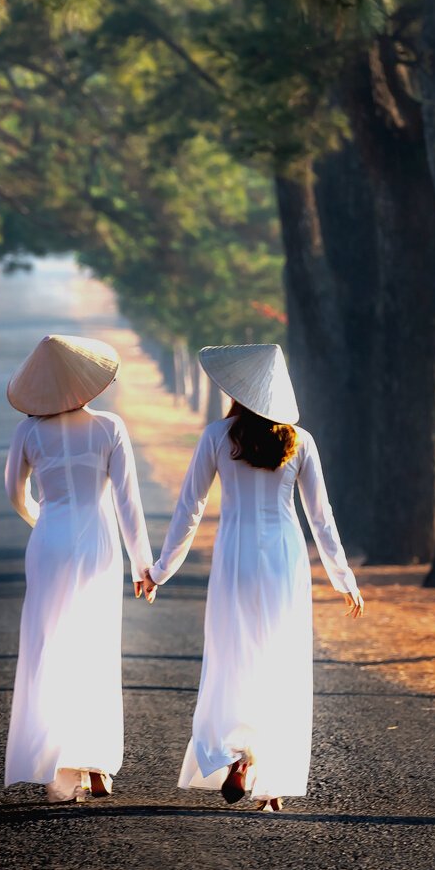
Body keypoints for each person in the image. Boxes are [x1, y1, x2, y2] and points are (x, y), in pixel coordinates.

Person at [142, 343, 361, 812]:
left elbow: (189, 509)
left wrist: (162, 570)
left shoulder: (217, 436)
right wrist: (343, 579)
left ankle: (236, 753)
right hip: (283, 557)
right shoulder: (299, 439)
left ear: (237, 391)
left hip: (236, 555)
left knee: (234, 652)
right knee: (279, 657)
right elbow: (321, 518)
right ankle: (271, 778)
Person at [3, 334, 155, 803]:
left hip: (49, 543)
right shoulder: (110, 427)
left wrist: (42, 520)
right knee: (96, 645)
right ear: (86, 382)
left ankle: (58, 761)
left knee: (50, 644)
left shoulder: (28, 432)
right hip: (99, 545)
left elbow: (14, 493)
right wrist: (142, 563)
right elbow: (129, 503)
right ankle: (96, 763)